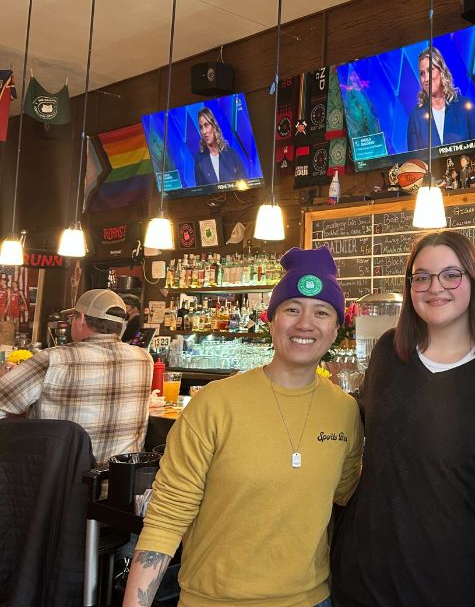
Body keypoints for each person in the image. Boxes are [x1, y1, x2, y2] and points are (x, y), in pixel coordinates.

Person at [124, 247, 363, 607]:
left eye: (322, 312)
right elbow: (168, 515)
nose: (305, 323)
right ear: (271, 319)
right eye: (292, 309)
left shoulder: (345, 412)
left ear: (335, 330)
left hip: (311, 600)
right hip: (213, 600)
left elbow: (352, 496)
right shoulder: (215, 403)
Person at [331, 231, 475, 607]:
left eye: (450, 275)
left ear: (474, 280)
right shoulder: (389, 353)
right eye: (421, 277)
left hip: (473, 585)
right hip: (370, 582)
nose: (434, 287)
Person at [0, 289, 153, 469]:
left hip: (57, 485)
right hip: (119, 485)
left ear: (81, 319)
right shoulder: (144, 358)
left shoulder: (53, 359)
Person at [406, 47, 475, 150]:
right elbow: (414, 163)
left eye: (430, 70)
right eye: (422, 73)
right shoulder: (416, 116)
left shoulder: (464, 107)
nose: (426, 79)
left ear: (441, 71)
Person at [193, 106, 248, 186]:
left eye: (206, 125)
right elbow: (200, 191)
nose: (204, 131)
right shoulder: (199, 158)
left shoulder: (231, 153)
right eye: (201, 127)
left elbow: (245, 182)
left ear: (213, 126)